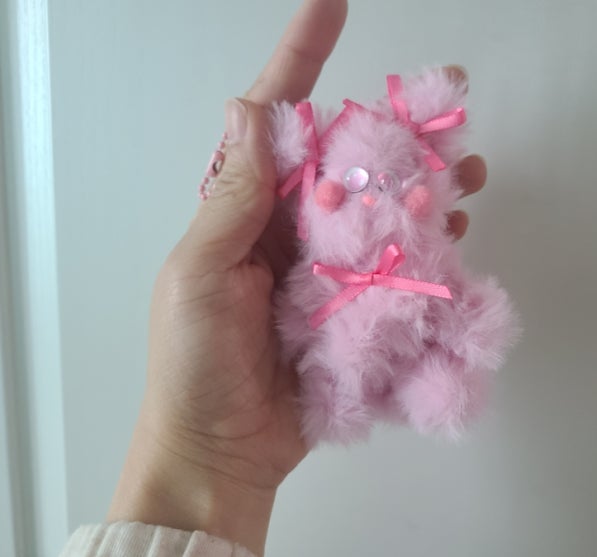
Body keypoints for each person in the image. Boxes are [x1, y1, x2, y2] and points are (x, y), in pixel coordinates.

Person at [60, 0, 488, 555]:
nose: (368, 198)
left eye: (386, 183)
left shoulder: (424, 268)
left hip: (407, 330)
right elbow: (301, 319)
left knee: (443, 371)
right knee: (334, 361)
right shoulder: (320, 275)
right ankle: (347, 396)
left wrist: (472, 323)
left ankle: (434, 391)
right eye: (353, 181)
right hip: (332, 359)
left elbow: (465, 311)